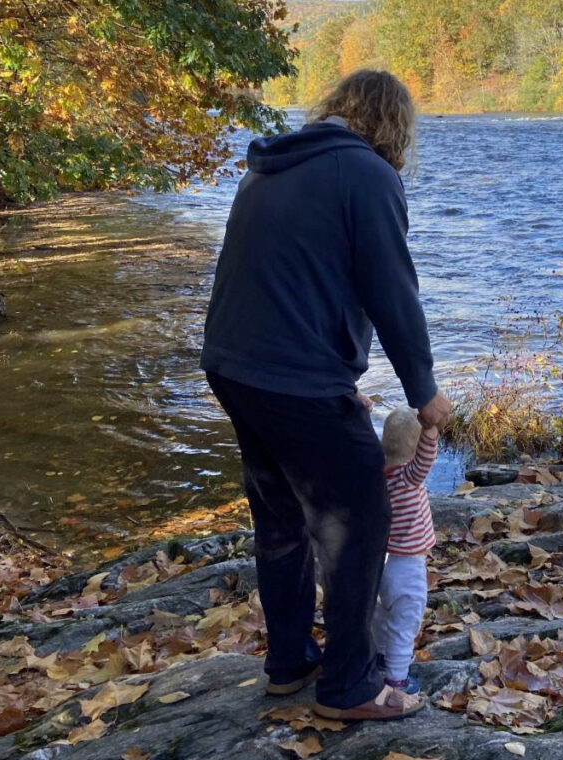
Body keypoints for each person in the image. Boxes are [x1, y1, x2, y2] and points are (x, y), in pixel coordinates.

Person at [200, 70, 451, 721]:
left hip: (233, 366)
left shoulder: (271, 167)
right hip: (289, 376)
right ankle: (350, 685)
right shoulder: (368, 176)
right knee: (361, 516)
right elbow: (390, 293)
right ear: (392, 124)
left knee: (281, 515)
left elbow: (285, 281)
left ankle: (289, 663)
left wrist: (331, 380)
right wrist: (424, 394)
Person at [373, 406, 438, 694]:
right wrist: (432, 430)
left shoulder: (378, 476)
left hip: (380, 563)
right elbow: (426, 458)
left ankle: (379, 659)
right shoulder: (408, 476)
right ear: (413, 450)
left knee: (380, 616)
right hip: (407, 566)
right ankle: (397, 679)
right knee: (405, 624)